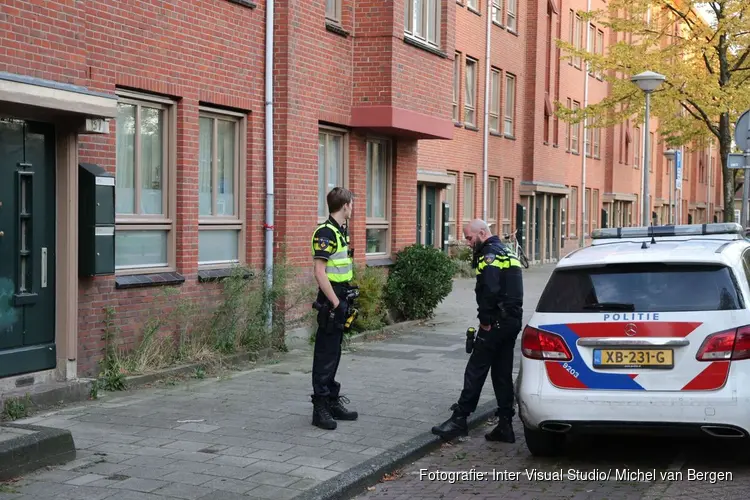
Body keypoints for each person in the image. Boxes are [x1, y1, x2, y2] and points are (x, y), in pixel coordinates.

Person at [432, 218, 524, 443]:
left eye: (469, 237)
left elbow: (489, 290)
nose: (467, 242)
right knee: (502, 374)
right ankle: (505, 425)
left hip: (495, 322)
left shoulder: (489, 254)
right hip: (512, 322)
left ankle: (459, 419)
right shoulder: (507, 251)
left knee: (475, 369)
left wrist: (485, 321)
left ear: (482, 233)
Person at [309, 187, 359, 430]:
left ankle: (330, 400)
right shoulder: (326, 233)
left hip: (341, 295)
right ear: (346, 205)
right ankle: (320, 408)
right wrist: (337, 304)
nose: (354, 208)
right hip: (332, 298)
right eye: (352, 204)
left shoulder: (340, 231)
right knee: (325, 354)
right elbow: (320, 272)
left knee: (335, 352)